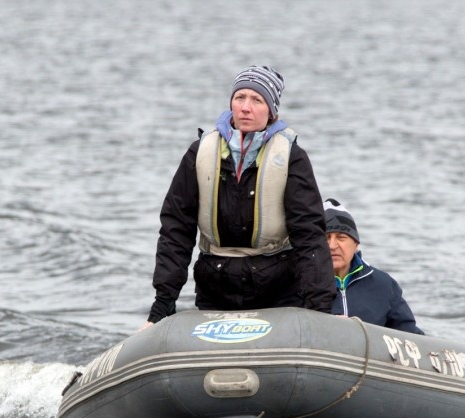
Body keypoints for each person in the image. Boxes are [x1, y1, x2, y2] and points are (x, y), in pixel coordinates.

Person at [142, 66, 335, 328]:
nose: (246, 107)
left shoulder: (292, 157)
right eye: (240, 97)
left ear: (271, 111)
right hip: (215, 288)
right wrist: (162, 306)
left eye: (257, 100)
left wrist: (320, 310)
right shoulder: (199, 153)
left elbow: (309, 236)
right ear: (231, 103)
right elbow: (176, 231)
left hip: (278, 291)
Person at [324, 199, 423, 334]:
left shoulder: (384, 284)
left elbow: (410, 334)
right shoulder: (301, 282)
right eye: (326, 238)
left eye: (341, 238)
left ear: (356, 243)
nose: (332, 246)